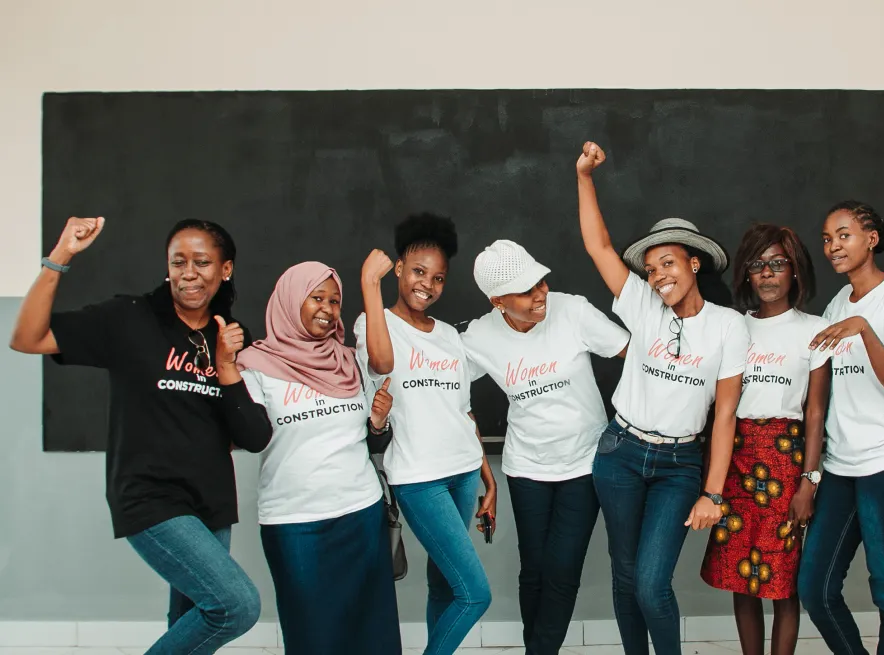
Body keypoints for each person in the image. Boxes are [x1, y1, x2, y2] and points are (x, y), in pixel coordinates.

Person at [10, 217, 267, 654]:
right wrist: (61, 256)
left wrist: (227, 367)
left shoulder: (228, 337)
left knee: (191, 623)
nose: (188, 272)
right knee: (235, 605)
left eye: (202, 262)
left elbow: (253, 435)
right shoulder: (129, 318)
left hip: (211, 504)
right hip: (150, 498)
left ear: (225, 269)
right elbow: (27, 338)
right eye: (178, 262)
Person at [576, 141, 750, 655]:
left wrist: (713, 494)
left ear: (694, 263)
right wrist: (585, 177)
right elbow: (598, 247)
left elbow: (725, 418)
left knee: (652, 583)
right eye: (651, 269)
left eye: (668, 263)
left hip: (679, 464)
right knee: (625, 578)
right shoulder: (643, 306)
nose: (658, 276)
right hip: (621, 454)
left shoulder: (729, 327)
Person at [461, 239, 630, 654]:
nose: (541, 294)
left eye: (540, 282)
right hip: (526, 468)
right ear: (497, 300)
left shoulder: (572, 310)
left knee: (562, 569)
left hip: (586, 464)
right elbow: (450, 394)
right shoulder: (479, 336)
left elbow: (637, 354)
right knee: (533, 570)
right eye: (526, 290)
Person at [236, 261, 402, 654]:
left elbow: (370, 441)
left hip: (360, 513)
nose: (328, 308)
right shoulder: (253, 367)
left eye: (334, 300)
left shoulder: (349, 361)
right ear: (291, 300)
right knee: (312, 635)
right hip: (295, 523)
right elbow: (250, 437)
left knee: (371, 633)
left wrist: (377, 423)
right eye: (316, 297)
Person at [354, 213, 495, 655]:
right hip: (418, 476)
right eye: (418, 272)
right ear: (398, 269)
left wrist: (488, 478)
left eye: (438, 278)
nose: (427, 285)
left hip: (464, 470)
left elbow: (464, 411)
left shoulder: (451, 336)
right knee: (475, 593)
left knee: (446, 586)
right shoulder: (372, 322)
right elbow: (381, 364)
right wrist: (368, 285)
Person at [797, 201, 884, 655]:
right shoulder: (837, 304)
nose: (833, 246)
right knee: (814, 588)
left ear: (871, 239)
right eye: (827, 238)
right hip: (842, 468)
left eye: (843, 235)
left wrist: (864, 330)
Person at [700, 224, 831, 655]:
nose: (768, 274)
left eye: (778, 263)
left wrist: (808, 481)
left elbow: (815, 411)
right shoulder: (733, 326)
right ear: (747, 275)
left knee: (782, 580)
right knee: (744, 576)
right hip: (736, 458)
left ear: (794, 270)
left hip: (785, 461)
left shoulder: (815, 328)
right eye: (758, 265)